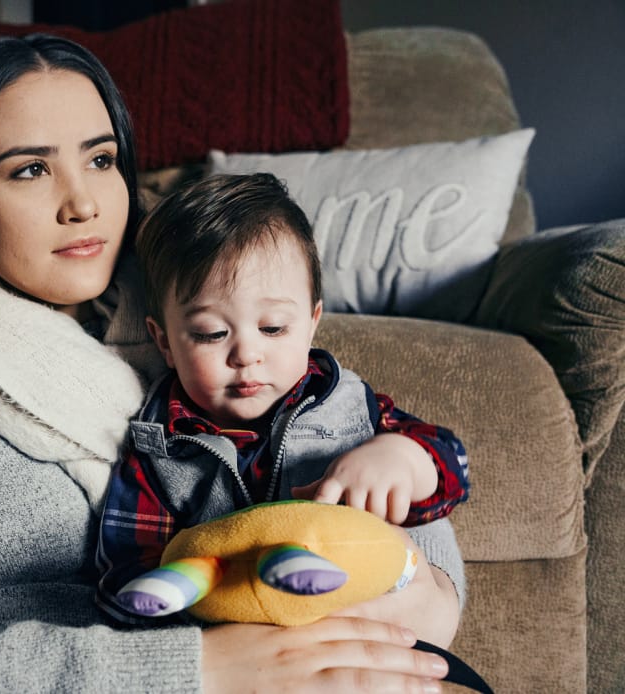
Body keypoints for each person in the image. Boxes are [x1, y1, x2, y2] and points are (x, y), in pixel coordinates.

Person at [0, 33, 459, 692]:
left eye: (102, 160)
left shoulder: (216, 308)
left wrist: (417, 589)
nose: (83, 204)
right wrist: (201, 673)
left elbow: (369, 472)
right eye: (31, 169)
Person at [96, 173, 469, 622]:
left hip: (359, 610)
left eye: (273, 328)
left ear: (312, 323)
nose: (247, 355)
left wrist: (403, 457)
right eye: (210, 333)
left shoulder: (346, 405)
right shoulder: (158, 447)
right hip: (243, 636)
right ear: (165, 343)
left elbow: (452, 466)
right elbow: (128, 568)